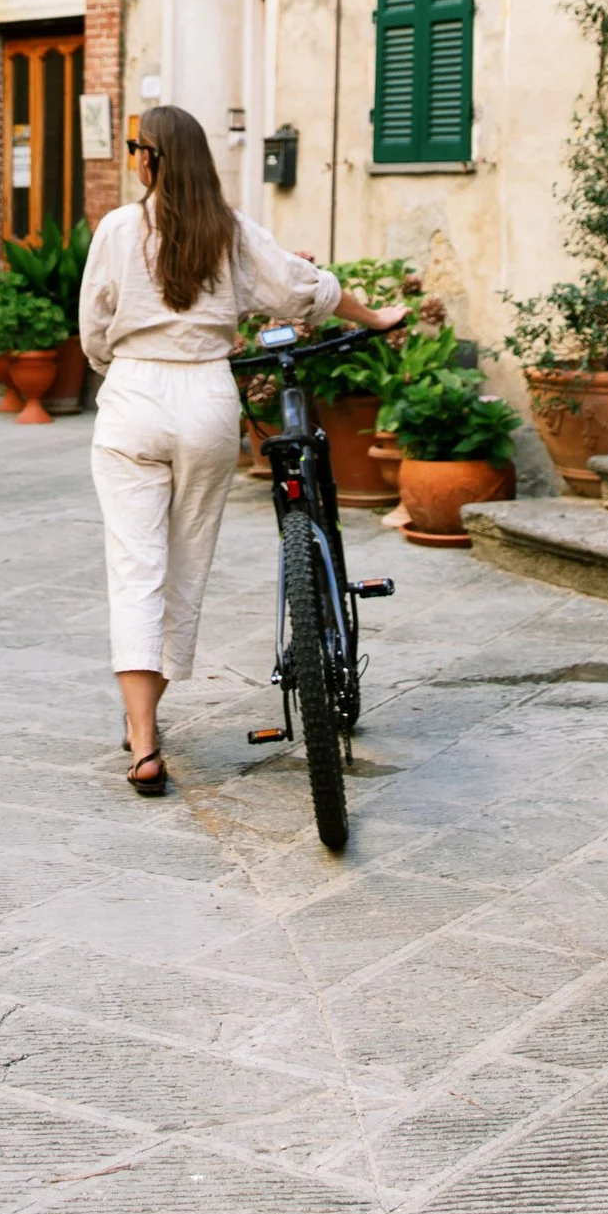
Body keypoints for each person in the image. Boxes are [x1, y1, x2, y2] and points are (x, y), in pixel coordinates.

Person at [77, 103, 404, 795]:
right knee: (185, 568)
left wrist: (132, 363)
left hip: (134, 396)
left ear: (148, 159)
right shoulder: (229, 232)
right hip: (205, 400)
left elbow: (94, 331)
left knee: (135, 569)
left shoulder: (116, 229)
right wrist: (376, 316)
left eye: (137, 146)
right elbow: (300, 290)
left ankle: (143, 743)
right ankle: (148, 717)